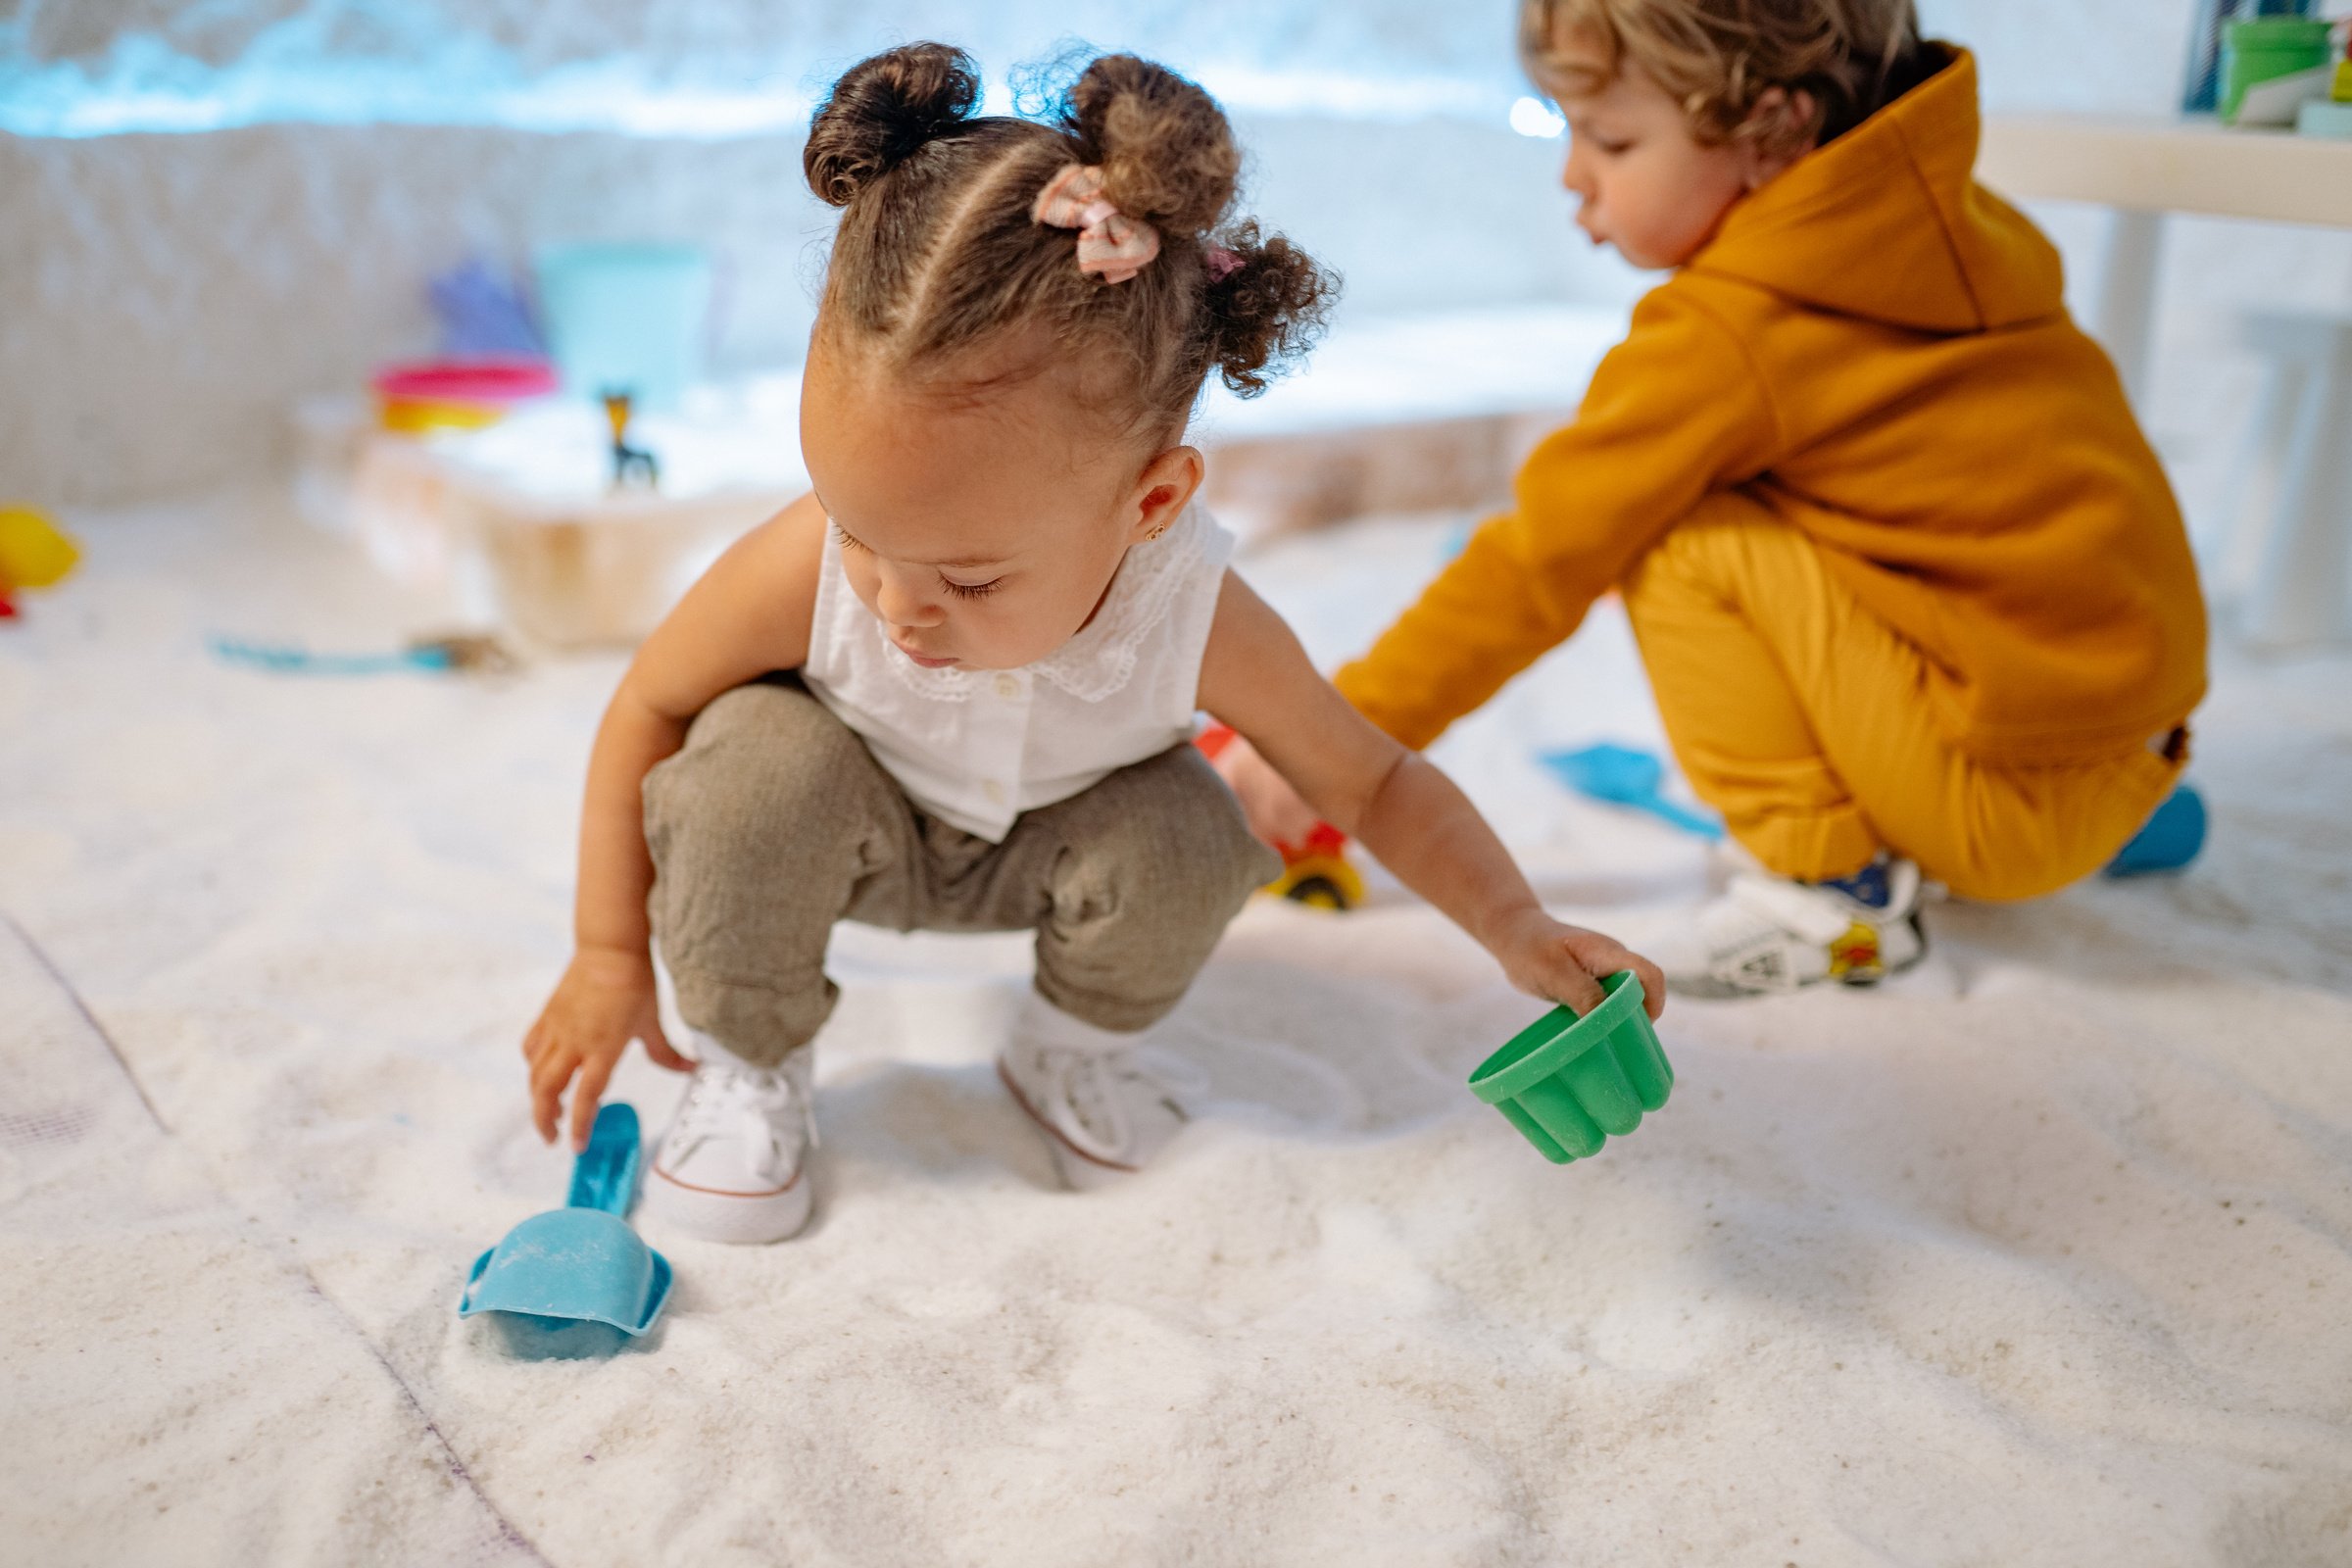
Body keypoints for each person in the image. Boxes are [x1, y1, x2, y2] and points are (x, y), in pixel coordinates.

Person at [520, 43, 1666, 1244]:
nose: (896, 603)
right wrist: (607, 953)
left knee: (1191, 825)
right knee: (746, 767)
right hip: (842, 827)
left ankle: (1069, 1049)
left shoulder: (1192, 606)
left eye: (968, 576)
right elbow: (646, 704)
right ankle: (750, 1062)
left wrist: (1517, 927)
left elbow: (1371, 778)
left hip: (1052, 852)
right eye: (861, 534)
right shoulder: (806, 564)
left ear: (1152, 503)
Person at [1218, 0, 2207, 998]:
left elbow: (1538, 564)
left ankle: (1834, 888)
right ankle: (2055, 808)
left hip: (2003, 798)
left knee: (1671, 531)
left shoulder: (1726, 335)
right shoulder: (1961, 228)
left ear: (1770, 132)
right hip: (2135, 743)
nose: (1574, 175)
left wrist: (1331, 746)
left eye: (1609, 139)